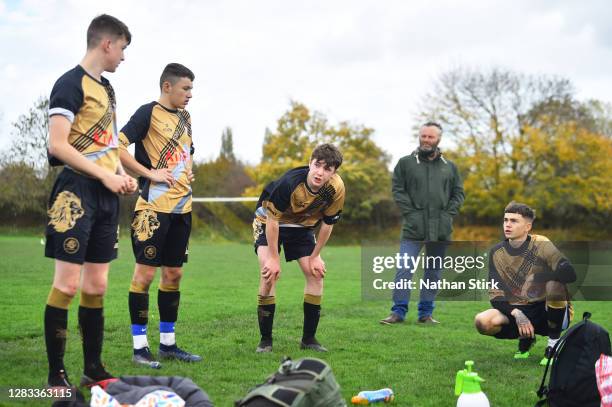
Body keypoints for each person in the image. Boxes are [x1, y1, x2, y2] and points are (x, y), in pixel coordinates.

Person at [44, 14, 136, 389]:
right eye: (123, 49)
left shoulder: (109, 89)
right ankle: (56, 374)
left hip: (107, 196)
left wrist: (123, 175)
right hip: (75, 194)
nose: (123, 58)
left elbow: (108, 145)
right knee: (67, 286)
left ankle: (93, 368)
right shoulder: (68, 84)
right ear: (106, 44)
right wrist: (105, 175)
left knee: (96, 286)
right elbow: (58, 144)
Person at [118, 63, 201, 367]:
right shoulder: (147, 112)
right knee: (144, 275)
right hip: (152, 209)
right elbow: (118, 146)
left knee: (174, 274)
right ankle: (140, 348)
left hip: (182, 209)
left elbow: (186, 153)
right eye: (185, 88)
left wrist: (188, 173)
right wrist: (149, 173)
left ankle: (168, 344)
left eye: (191, 88)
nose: (190, 94)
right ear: (167, 87)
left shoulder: (186, 118)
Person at [254, 144, 345, 353]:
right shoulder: (290, 182)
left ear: (334, 172)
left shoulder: (336, 188)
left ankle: (309, 339)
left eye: (327, 169)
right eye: (317, 165)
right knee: (269, 274)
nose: (320, 173)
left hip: (302, 225)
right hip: (268, 221)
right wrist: (274, 259)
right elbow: (272, 221)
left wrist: (316, 256)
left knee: (316, 274)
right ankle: (265, 341)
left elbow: (328, 223)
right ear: (310, 162)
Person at [380, 122, 464, 325]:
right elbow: (398, 190)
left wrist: (447, 215)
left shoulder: (450, 167)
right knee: (404, 270)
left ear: (439, 139)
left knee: (432, 273)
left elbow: (458, 194)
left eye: (431, 137)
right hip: (413, 229)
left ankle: (425, 314)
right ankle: (397, 312)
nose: (426, 140)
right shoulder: (405, 163)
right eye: (423, 136)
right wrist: (412, 214)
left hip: (441, 230)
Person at [474, 202, 576, 364]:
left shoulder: (541, 243)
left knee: (554, 284)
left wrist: (540, 277)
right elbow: (495, 296)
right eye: (506, 220)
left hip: (548, 312)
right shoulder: (496, 252)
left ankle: (553, 345)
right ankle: (527, 338)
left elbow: (570, 274)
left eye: (514, 221)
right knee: (482, 321)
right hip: (520, 311)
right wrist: (517, 313)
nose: (507, 224)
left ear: (527, 226)